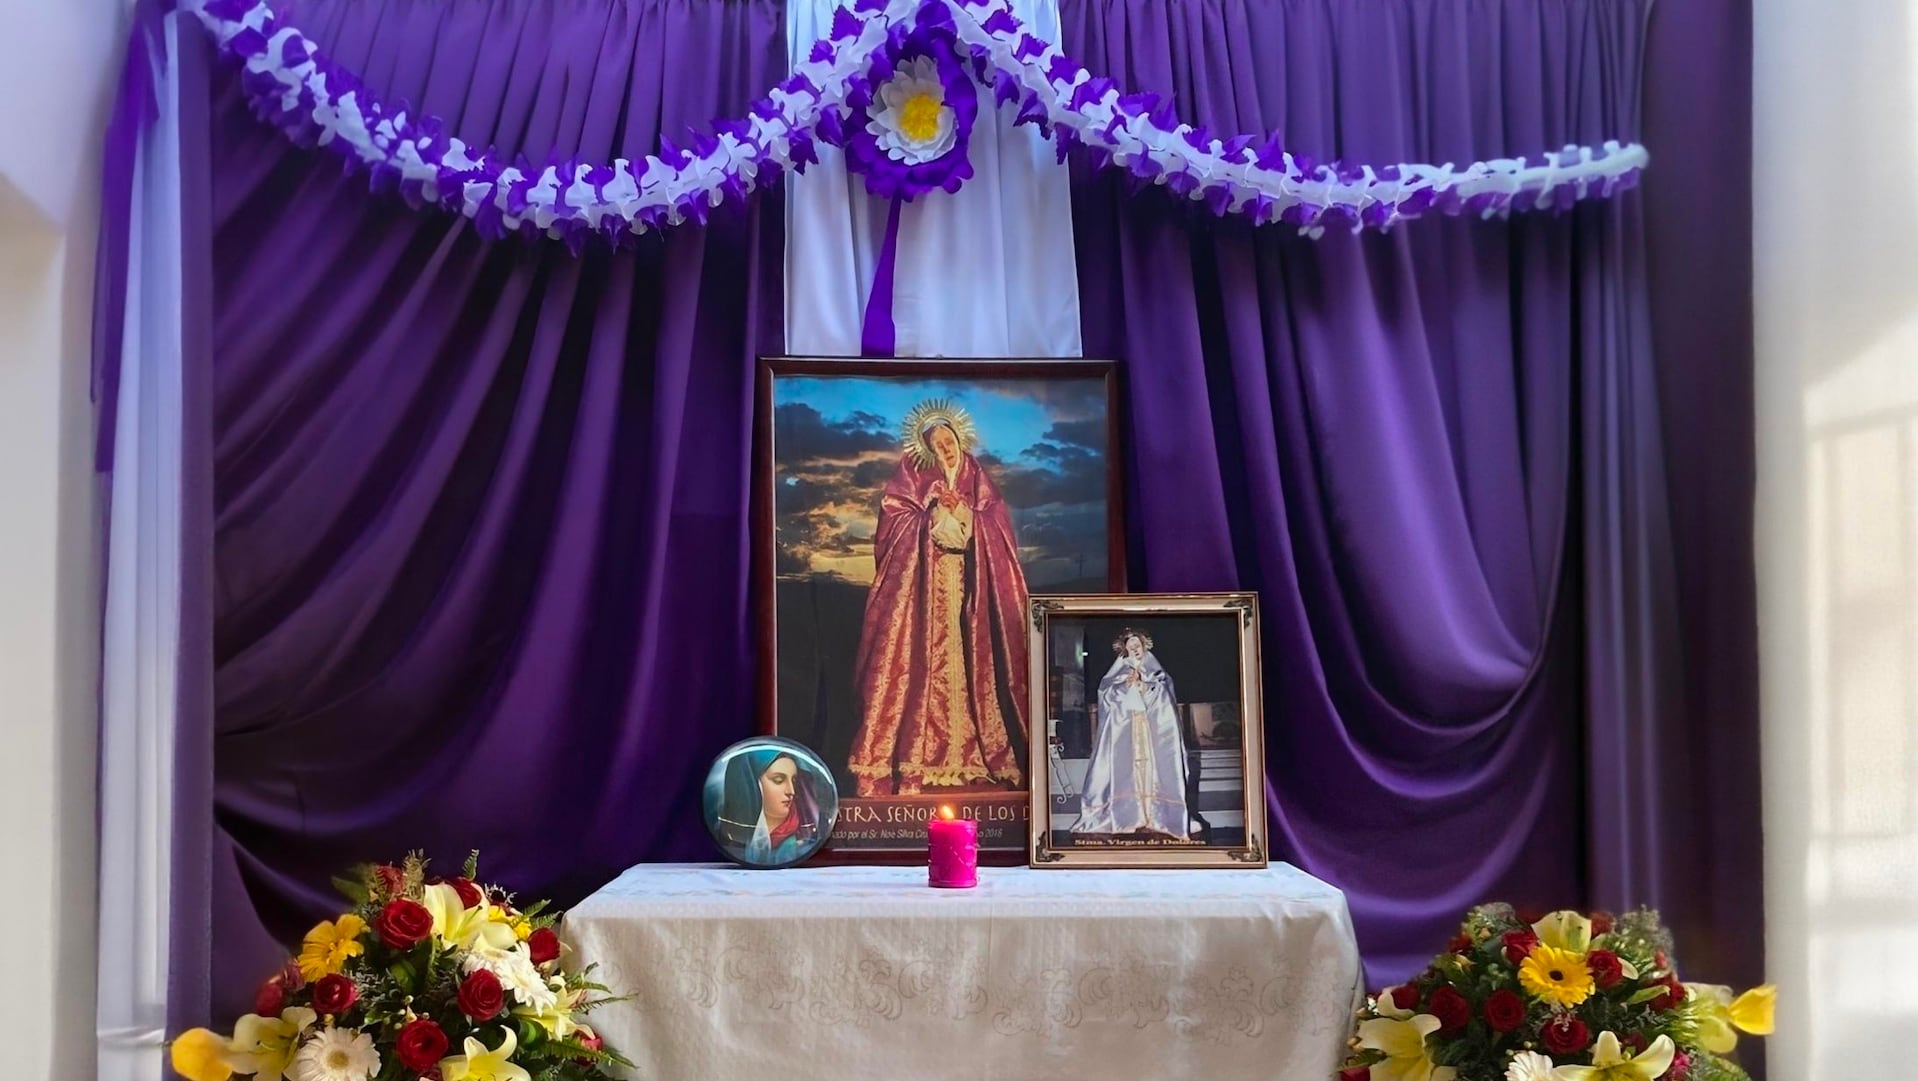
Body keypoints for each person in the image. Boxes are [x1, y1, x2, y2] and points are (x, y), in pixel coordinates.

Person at [848, 400, 1029, 796]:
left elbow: (995, 523)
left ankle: (970, 758)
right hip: (923, 594)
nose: (945, 447)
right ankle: (918, 760)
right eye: (937, 441)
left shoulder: (975, 474)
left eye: (949, 439)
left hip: (970, 590)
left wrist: (964, 511)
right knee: (920, 667)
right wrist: (931, 513)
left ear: (959, 438)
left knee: (969, 668)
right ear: (927, 445)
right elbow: (894, 521)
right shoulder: (913, 472)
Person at [1073, 629, 1192, 839]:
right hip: (1125, 732)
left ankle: (1158, 815)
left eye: (1137, 645)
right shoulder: (1119, 670)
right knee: (1127, 769)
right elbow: (1106, 693)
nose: (1134, 649)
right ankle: (1128, 815)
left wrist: (1145, 685)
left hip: (1150, 732)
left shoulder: (1156, 672)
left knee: (1154, 768)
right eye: (1130, 646)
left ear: (1144, 646)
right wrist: (1125, 686)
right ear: (1125, 649)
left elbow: (1165, 694)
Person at [713, 750, 822, 865]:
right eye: (778, 780)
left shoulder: (805, 839)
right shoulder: (728, 836)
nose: (791, 791)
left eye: (794, 781)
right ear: (751, 785)